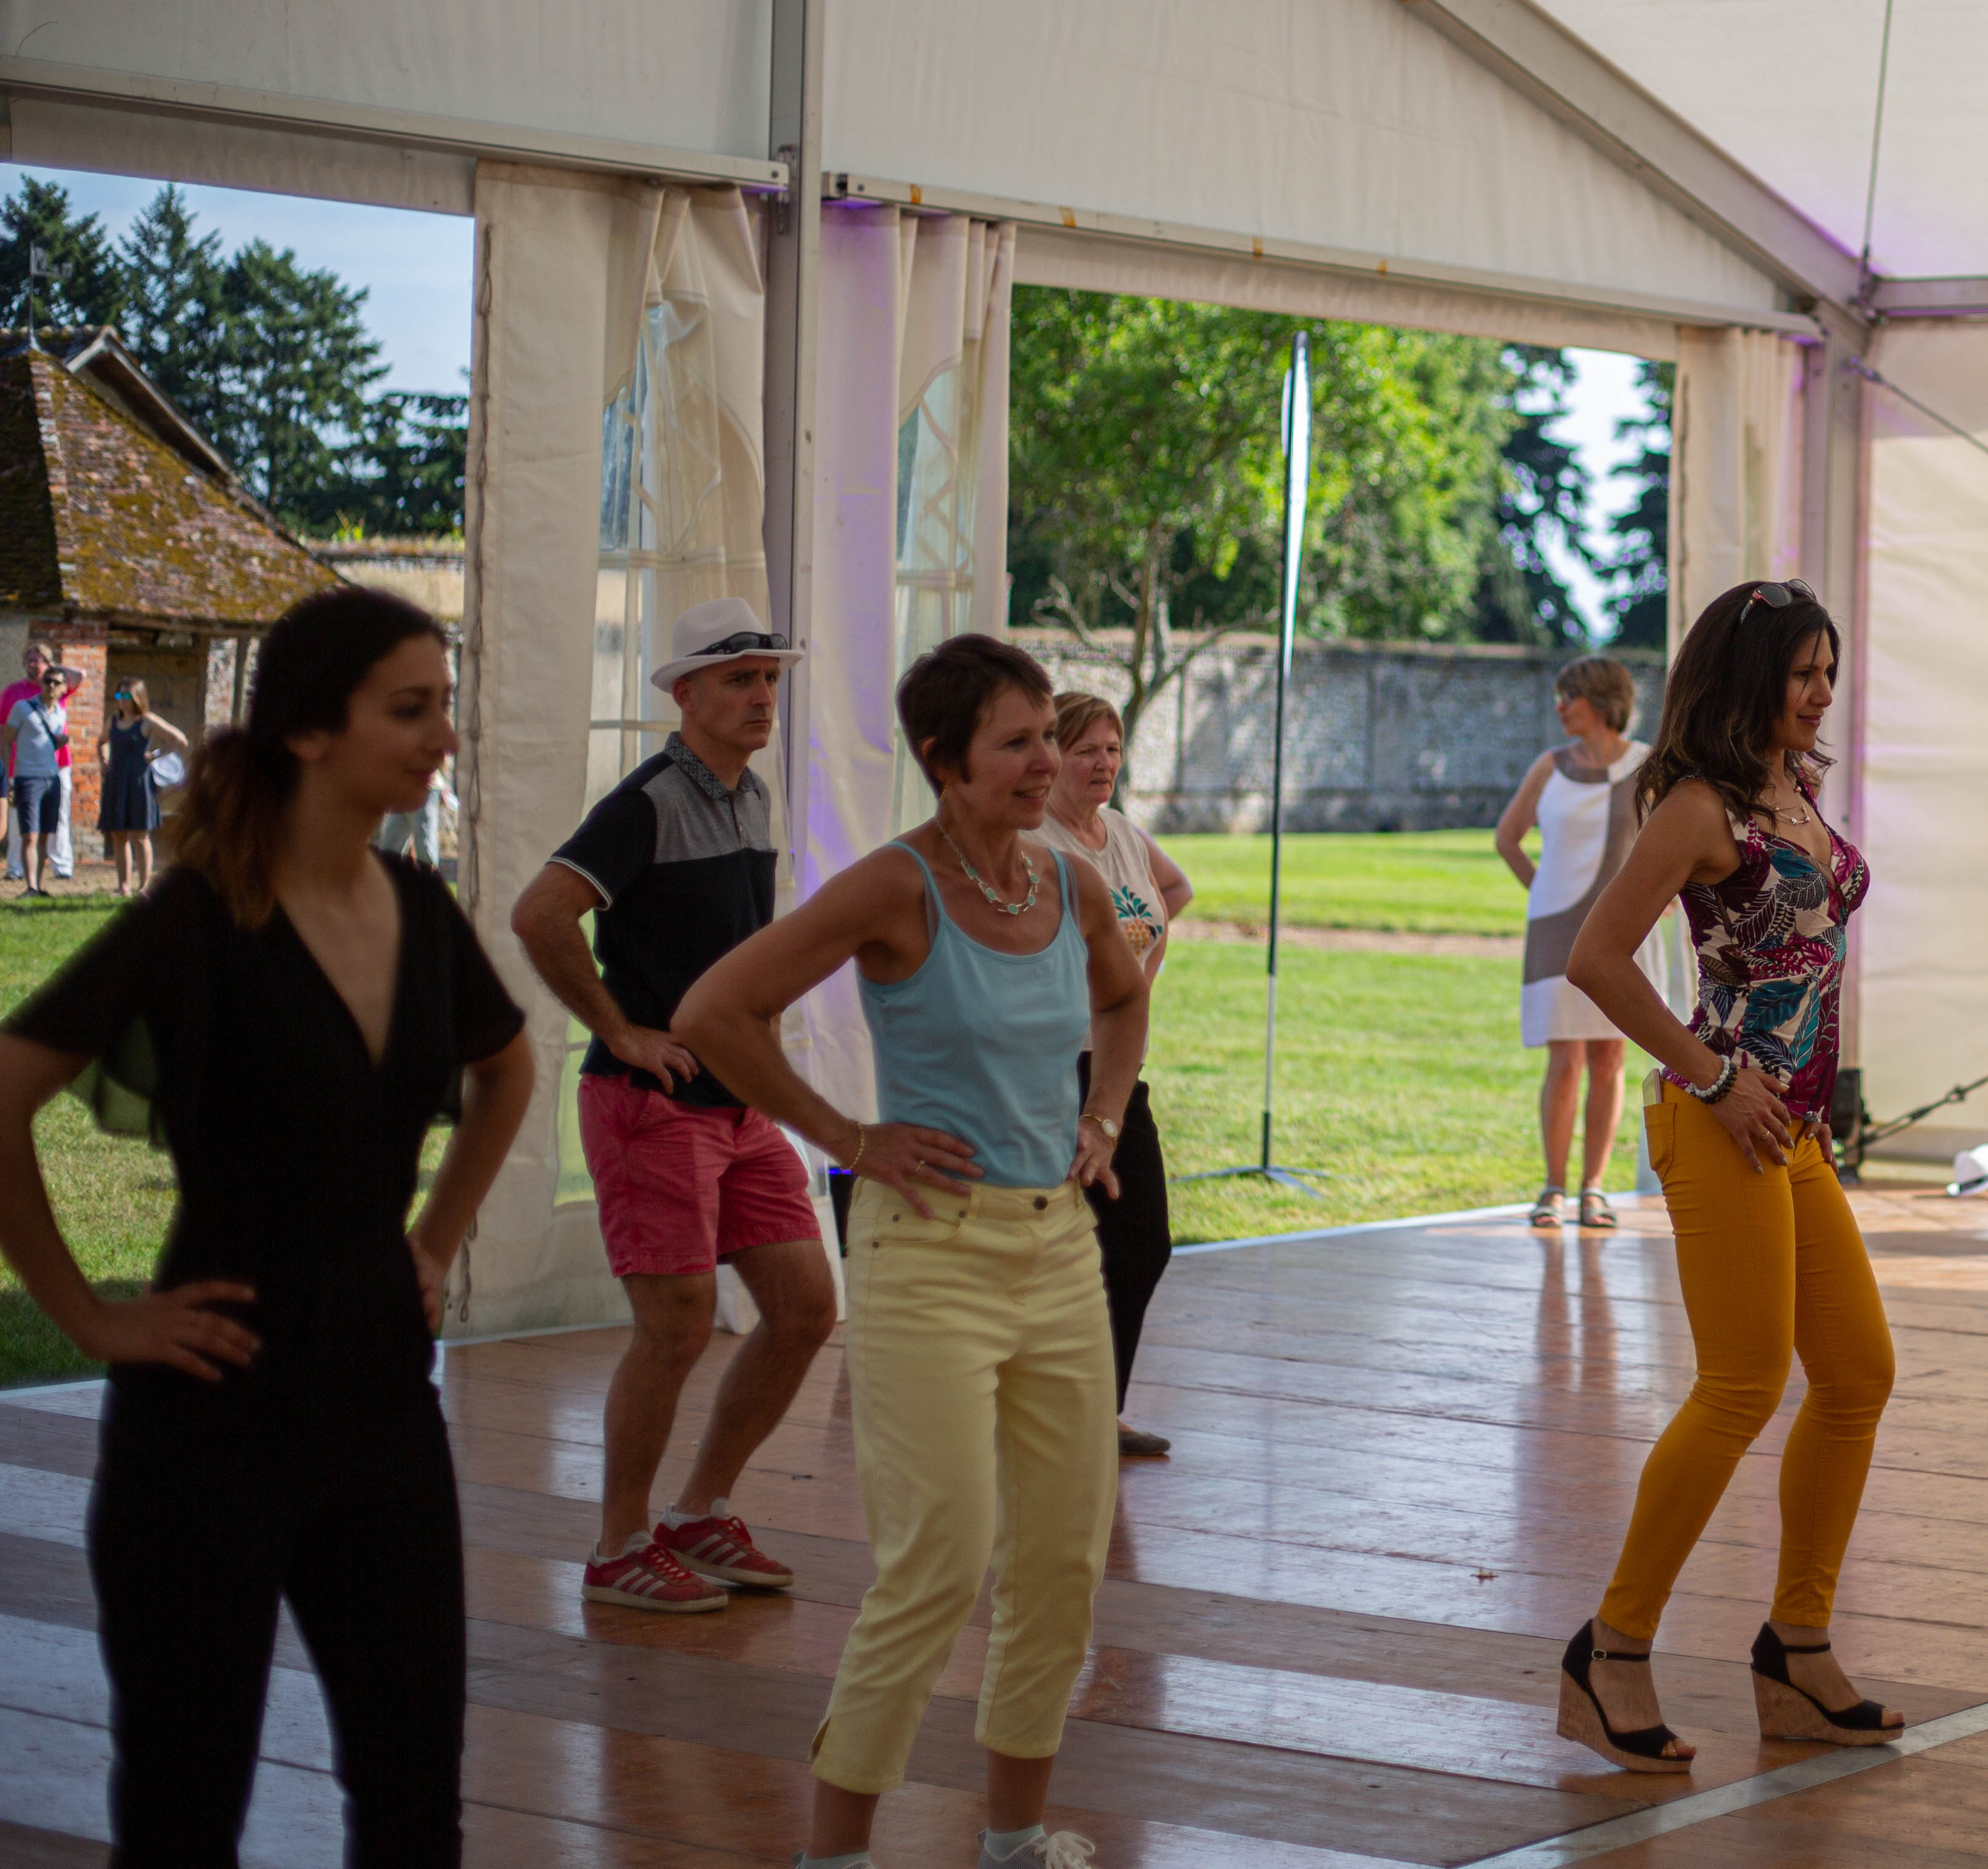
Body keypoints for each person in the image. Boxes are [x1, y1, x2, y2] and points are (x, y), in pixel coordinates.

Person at [0, 587, 534, 1860]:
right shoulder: (195, 920)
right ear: (308, 731)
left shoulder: (420, 908)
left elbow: (508, 1071)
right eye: (411, 712)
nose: (442, 740)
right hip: (210, 1409)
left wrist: (439, 1238)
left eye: (444, 709)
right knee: (186, 1805)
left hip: (384, 1407)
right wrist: (86, 1315)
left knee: (414, 1802)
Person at [674, 633, 1150, 1869]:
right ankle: (837, 1856)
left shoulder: (1070, 883)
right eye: (1017, 743)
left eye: (1051, 736)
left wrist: (1102, 1118)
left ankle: (1014, 1838)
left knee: (1057, 1564)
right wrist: (844, 1134)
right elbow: (715, 1011)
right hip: (927, 1255)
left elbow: (1125, 992)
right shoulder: (895, 887)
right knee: (938, 1560)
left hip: (1058, 1257)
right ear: (943, 760)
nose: (1046, 762)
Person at [1553, 580, 1896, 1771]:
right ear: (1750, 680)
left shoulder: (1793, 790)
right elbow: (1596, 958)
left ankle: (1797, 1645)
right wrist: (1710, 1078)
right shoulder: (1697, 807)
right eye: (1804, 673)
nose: (1823, 694)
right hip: (1726, 1122)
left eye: (1829, 672)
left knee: (1857, 1374)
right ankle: (1613, 1650)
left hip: (1793, 1131)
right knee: (1743, 1387)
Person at [511, 597, 838, 1614]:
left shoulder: (753, 797)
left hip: (737, 1108)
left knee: (804, 1308)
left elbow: (746, 957)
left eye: (771, 678)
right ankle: (619, 1548)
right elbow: (541, 912)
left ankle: (700, 1512)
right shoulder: (649, 799)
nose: (762, 696)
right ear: (684, 694)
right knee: (677, 1324)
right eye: (740, 680)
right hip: (650, 1108)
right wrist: (618, 1031)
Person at [1031, 687, 1193, 1458]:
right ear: (1051, 754)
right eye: (1087, 748)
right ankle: (1052, 1409)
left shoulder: (1120, 832)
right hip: (1055, 1069)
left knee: (1143, 1240)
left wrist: (1141, 976)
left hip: (1117, 1074)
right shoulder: (1040, 844)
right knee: (1063, 1246)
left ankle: (1100, 1408)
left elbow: (1175, 891)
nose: (1103, 763)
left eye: (1114, 749)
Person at [1495, 653, 1655, 1231]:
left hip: (1621, 935)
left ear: (1600, 700)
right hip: (1554, 933)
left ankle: (1594, 1188)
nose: (1559, 706)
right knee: (1564, 1060)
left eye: (1570, 695)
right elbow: (1507, 839)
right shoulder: (1549, 766)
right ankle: (1553, 1187)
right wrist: (1544, 896)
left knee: (1610, 1057)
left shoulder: (1648, 766)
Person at [96, 678, 189, 895]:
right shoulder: (113, 720)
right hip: (116, 782)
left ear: (138, 697)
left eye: (127, 696)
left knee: (139, 835)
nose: (122, 701)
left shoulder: (146, 720)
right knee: (118, 835)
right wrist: (103, 762)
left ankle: (145, 887)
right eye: (119, 696)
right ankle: (123, 887)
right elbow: (101, 741)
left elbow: (180, 740)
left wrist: (155, 755)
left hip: (139, 783)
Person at [5, 655, 72, 896]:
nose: (51, 686)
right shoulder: (22, 708)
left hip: (52, 779)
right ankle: (31, 886)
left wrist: (58, 744)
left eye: (56, 683)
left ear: (64, 688)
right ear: (41, 684)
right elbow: (5, 742)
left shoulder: (60, 713)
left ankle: (38, 886)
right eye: (47, 681)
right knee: (29, 836)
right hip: (27, 778)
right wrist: (7, 776)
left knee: (45, 835)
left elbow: (42, 745)